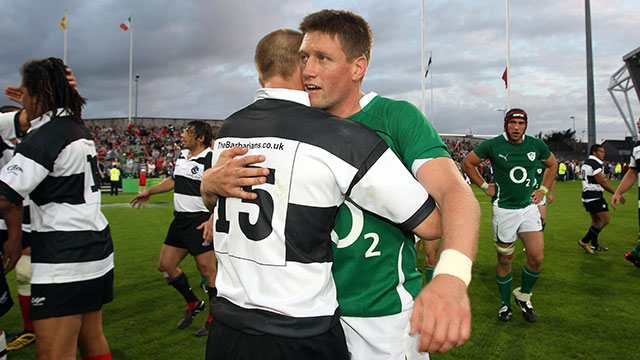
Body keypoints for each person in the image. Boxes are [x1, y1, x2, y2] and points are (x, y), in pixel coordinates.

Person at [201, 28, 446, 360]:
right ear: (301, 68)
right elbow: (431, 224)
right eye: (308, 58)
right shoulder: (337, 136)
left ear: (259, 71)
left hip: (228, 326)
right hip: (299, 329)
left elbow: (219, 201)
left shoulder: (229, 130)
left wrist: (207, 189)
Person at [0, 57, 113, 360]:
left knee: (52, 351)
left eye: (24, 93)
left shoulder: (44, 138)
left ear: (40, 95)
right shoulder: (74, 126)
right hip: (93, 247)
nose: (21, 101)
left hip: (64, 254)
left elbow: (4, 195)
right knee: (92, 339)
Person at [462, 108, 557, 323]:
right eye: (512, 123)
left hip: (528, 208)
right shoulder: (493, 145)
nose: (516, 127)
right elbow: (468, 163)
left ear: (526, 126)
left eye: (520, 123)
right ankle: (505, 305)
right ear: (506, 125)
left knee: (537, 256)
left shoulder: (536, 145)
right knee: (505, 259)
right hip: (504, 211)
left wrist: (543, 190)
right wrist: (485, 185)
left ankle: (523, 295)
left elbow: (552, 164)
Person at [130, 120, 217, 337]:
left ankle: (215, 319)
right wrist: (150, 191)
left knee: (209, 274)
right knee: (165, 265)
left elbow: (222, 192)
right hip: (179, 222)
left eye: (188, 132)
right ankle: (193, 303)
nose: (183, 135)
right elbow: (173, 180)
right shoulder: (181, 158)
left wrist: (212, 219)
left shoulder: (211, 159)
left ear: (200, 138)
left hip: (199, 221)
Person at [611, 117, 640, 268]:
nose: (638, 123)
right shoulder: (637, 148)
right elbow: (632, 173)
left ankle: (635, 253)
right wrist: (618, 192)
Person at [578, 144, 616, 253]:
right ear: (594, 153)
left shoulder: (586, 163)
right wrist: (615, 192)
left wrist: (583, 199)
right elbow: (602, 181)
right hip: (595, 195)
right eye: (601, 151)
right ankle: (585, 241)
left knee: (595, 221)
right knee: (605, 220)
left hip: (587, 195)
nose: (603, 154)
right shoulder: (595, 164)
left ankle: (594, 245)